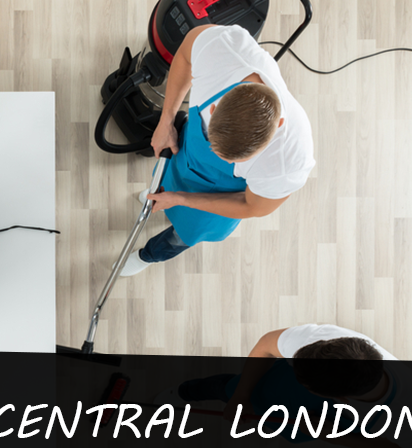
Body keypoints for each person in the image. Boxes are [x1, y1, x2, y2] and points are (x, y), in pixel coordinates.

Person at [120, 24, 315, 275]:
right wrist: (166, 120)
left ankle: (148, 256)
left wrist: (182, 199)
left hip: (224, 197)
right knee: (162, 185)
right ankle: (162, 194)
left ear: (278, 125)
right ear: (213, 109)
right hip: (185, 157)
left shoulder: (289, 161)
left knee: (181, 236)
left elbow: (250, 206)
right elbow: (184, 55)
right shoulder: (224, 50)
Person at [161, 324, 412, 448]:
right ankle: (182, 392)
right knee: (225, 387)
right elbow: (265, 346)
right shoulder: (333, 343)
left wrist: (337, 437)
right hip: (271, 391)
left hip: (318, 419)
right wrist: (240, 397)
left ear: (336, 398)